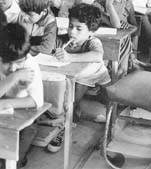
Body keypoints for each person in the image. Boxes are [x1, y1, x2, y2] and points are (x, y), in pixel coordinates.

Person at [47, 3, 111, 153]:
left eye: (79, 28)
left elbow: (98, 55)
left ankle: (110, 126)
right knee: (70, 101)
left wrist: (70, 56)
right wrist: (54, 53)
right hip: (76, 76)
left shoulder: (92, 41)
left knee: (110, 101)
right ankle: (68, 123)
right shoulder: (62, 40)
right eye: (70, 26)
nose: (72, 32)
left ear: (91, 32)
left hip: (97, 74)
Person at [0, 22, 43, 168]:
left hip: (24, 124)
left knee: (11, 161)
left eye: (18, 63)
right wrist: (13, 78)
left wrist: (5, 103)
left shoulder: (30, 64)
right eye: (6, 63)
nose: (13, 68)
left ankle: (20, 159)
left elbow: (36, 100)